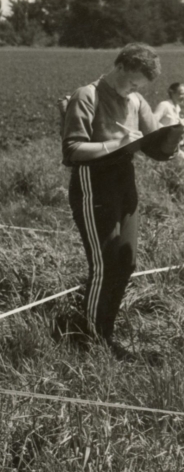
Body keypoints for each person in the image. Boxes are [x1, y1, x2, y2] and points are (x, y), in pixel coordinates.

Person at [62, 43, 165, 359]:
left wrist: (171, 143)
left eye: (139, 87)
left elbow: (155, 139)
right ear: (120, 67)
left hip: (125, 187)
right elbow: (73, 150)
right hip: (94, 185)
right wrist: (117, 143)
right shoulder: (87, 96)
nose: (133, 90)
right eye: (132, 82)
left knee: (126, 261)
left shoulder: (136, 100)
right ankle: (89, 338)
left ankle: (103, 330)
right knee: (105, 264)